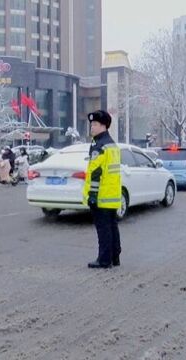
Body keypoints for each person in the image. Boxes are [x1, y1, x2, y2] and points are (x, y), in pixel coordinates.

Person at [83, 110, 122, 269]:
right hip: (112, 194)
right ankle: (115, 257)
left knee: (103, 229)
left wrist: (92, 195)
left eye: (95, 124)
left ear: (104, 126)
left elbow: (96, 173)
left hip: (101, 195)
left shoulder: (99, 146)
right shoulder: (111, 144)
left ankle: (104, 260)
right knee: (112, 227)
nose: (92, 127)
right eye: (91, 124)